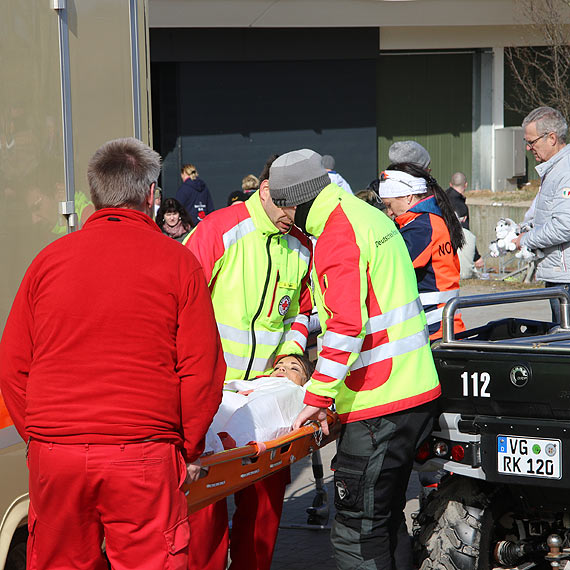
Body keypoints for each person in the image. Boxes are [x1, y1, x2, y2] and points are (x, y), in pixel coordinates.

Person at [0, 137, 226, 570]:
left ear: (96, 193)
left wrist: (41, 436)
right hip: (143, 451)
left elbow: (13, 364)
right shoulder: (177, 263)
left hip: (58, 450)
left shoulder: (48, 261)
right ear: (151, 196)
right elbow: (202, 369)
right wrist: (187, 447)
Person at [267, 148, 440, 570]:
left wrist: (318, 397)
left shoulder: (336, 234)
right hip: (414, 390)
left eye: (281, 206)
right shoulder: (364, 215)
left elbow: (345, 326)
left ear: (294, 202)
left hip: (379, 403)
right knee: (384, 519)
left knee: (357, 529)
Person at [184, 154, 313, 570]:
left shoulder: (301, 245)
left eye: (300, 206)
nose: (292, 215)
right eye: (285, 204)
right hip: (210, 399)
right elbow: (180, 300)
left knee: (263, 511)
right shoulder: (220, 230)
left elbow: (303, 309)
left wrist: (293, 353)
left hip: (264, 401)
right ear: (264, 189)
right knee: (205, 514)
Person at [378, 164, 466, 341]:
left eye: (389, 205)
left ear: (408, 197)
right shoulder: (433, 220)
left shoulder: (421, 228)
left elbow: (388, 267)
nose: (389, 213)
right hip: (445, 325)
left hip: (433, 329)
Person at [514, 106, 570, 322]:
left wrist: (526, 239)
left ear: (552, 138)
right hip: (558, 274)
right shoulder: (553, 170)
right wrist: (523, 229)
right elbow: (546, 217)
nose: (529, 148)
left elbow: (564, 225)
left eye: (532, 142)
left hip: (564, 278)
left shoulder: (564, 172)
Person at [206, 354, 315, 452]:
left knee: (257, 408)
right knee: (223, 401)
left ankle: (223, 442)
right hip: (244, 403)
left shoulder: (296, 390)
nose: (282, 368)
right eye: (277, 367)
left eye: (294, 368)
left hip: (246, 429)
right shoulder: (258, 385)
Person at [445, 172, 484, 270]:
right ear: (465, 185)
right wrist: (476, 257)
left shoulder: (442, 198)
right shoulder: (460, 207)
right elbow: (465, 234)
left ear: (450, 184)